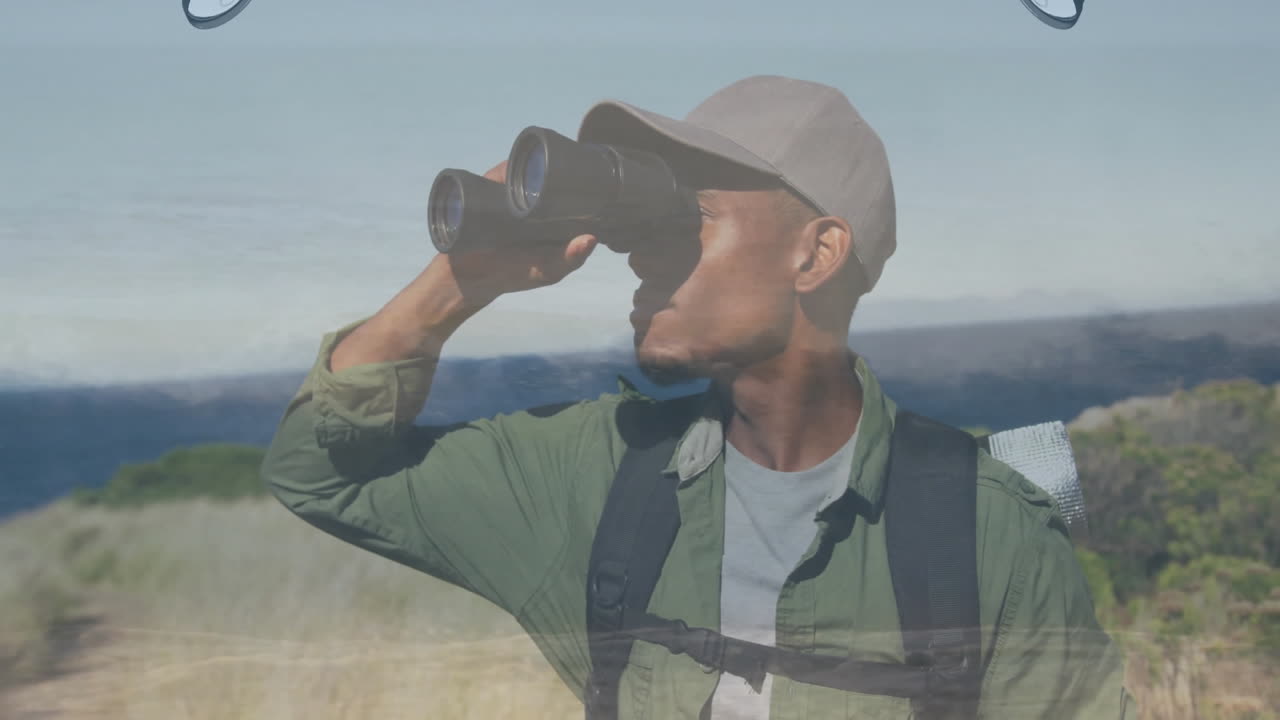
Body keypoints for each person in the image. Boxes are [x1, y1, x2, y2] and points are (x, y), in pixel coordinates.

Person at [261, 74, 1136, 719]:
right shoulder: (596, 474)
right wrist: (458, 284)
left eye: (690, 216)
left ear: (815, 254)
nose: (643, 252)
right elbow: (322, 475)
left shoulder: (981, 528)